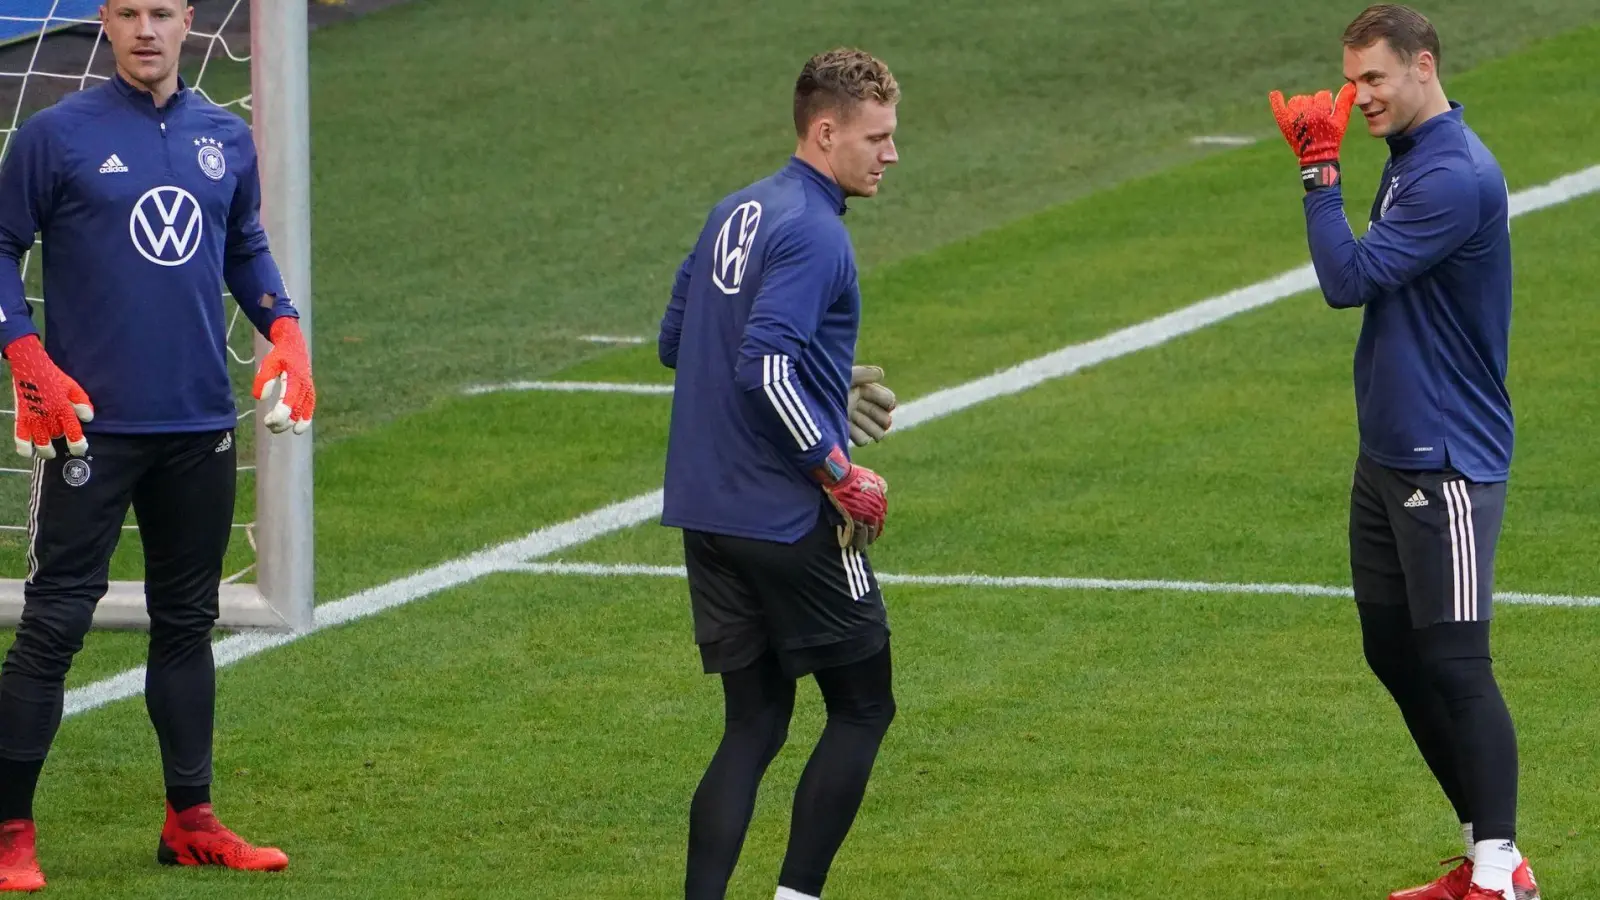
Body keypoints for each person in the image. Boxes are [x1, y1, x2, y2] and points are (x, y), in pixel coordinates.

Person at [0, 0, 316, 890]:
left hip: (198, 426)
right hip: (88, 427)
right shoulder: (54, 136)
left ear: (189, 22)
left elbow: (244, 246)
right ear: (105, 21)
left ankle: (191, 821)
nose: (148, 29)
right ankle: (9, 833)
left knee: (188, 623)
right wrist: (26, 353)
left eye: (165, 12)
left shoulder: (225, 136)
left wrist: (284, 330)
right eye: (131, 12)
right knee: (54, 625)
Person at [1268, 5, 1538, 899]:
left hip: (1446, 461)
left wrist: (1316, 176)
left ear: (1424, 66)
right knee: (1393, 650)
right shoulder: (1415, 158)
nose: (1357, 97)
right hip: (1387, 455)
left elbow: (1347, 282)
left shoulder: (1452, 175)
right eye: (1350, 79)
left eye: (1375, 78)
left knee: (1457, 662)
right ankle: (1487, 853)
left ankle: (1498, 873)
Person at [656, 47, 900, 900]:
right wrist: (836, 467)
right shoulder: (819, 233)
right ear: (824, 131)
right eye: (876, 137)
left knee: (753, 723)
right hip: (786, 515)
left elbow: (677, 343)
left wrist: (826, 377)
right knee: (865, 704)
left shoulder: (735, 210)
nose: (890, 154)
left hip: (706, 513)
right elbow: (763, 367)